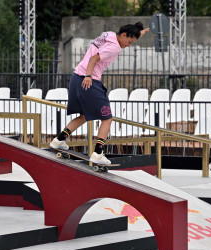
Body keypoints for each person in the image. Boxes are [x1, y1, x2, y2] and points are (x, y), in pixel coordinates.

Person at [50, 22, 149, 164]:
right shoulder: (114, 47)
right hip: (88, 81)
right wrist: (89, 76)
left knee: (84, 116)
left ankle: (59, 140)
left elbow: (96, 52)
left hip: (76, 78)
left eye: (132, 43)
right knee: (107, 118)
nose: (129, 45)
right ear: (123, 35)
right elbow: (94, 59)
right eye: (129, 42)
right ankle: (97, 153)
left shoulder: (108, 34)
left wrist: (139, 32)